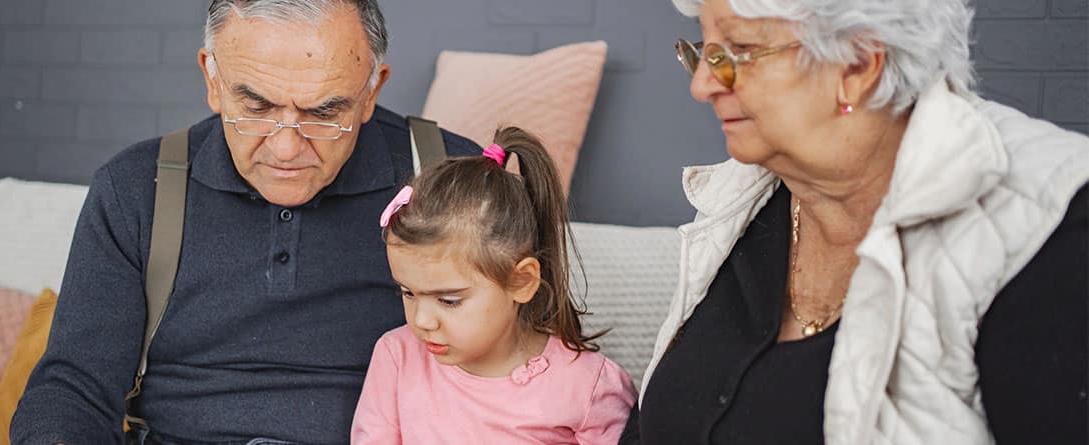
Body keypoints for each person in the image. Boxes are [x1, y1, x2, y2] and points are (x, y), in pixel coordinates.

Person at [10, 1, 480, 443]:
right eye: (257, 108)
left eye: (324, 113)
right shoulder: (136, 187)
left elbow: (534, 368)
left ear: (371, 91)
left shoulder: (463, 180)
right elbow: (73, 389)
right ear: (212, 80)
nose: (286, 149)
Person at [621, 0, 1089, 444]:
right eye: (705, 51)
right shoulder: (742, 198)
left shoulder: (1047, 229)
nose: (702, 85)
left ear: (858, 65)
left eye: (737, 52)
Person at [351, 127, 637, 444]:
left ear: (521, 281)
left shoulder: (586, 385)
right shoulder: (397, 356)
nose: (421, 321)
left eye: (448, 300)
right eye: (408, 293)